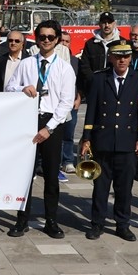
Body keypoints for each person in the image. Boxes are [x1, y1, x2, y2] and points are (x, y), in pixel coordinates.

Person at [5, 20, 75, 239]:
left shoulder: (64, 68)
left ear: (57, 40)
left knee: (52, 176)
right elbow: (9, 88)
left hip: (52, 124)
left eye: (50, 37)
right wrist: (21, 88)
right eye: (42, 37)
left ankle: (51, 221)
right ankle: (21, 219)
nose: (46, 41)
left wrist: (49, 128)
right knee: (25, 174)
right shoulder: (26, 64)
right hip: (28, 121)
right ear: (36, 38)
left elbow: (66, 102)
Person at [79, 41, 138, 241]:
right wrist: (87, 138)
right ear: (110, 57)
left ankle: (122, 224)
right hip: (103, 141)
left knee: (124, 188)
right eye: (118, 56)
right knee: (100, 186)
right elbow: (91, 110)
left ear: (131, 58)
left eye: (126, 56)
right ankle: (97, 223)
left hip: (127, 143)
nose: (122, 60)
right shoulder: (99, 78)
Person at [57, 30, 82, 177]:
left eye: (67, 41)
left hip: (72, 103)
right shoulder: (55, 59)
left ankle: (67, 161)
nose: (64, 44)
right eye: (62, 41)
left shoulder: (74, 61)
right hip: (56, 103)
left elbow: (79, 81)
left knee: (68, 133)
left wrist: (79, 97)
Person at [78, 11, 121, 92]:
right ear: (99, 24)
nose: (107, 25)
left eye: (109, 22)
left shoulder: (121, 43)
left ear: (114, 24)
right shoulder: (90, 44)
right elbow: (84, 66)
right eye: (104, 22)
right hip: (95, 88)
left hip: (115, 87)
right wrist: (94, 81)